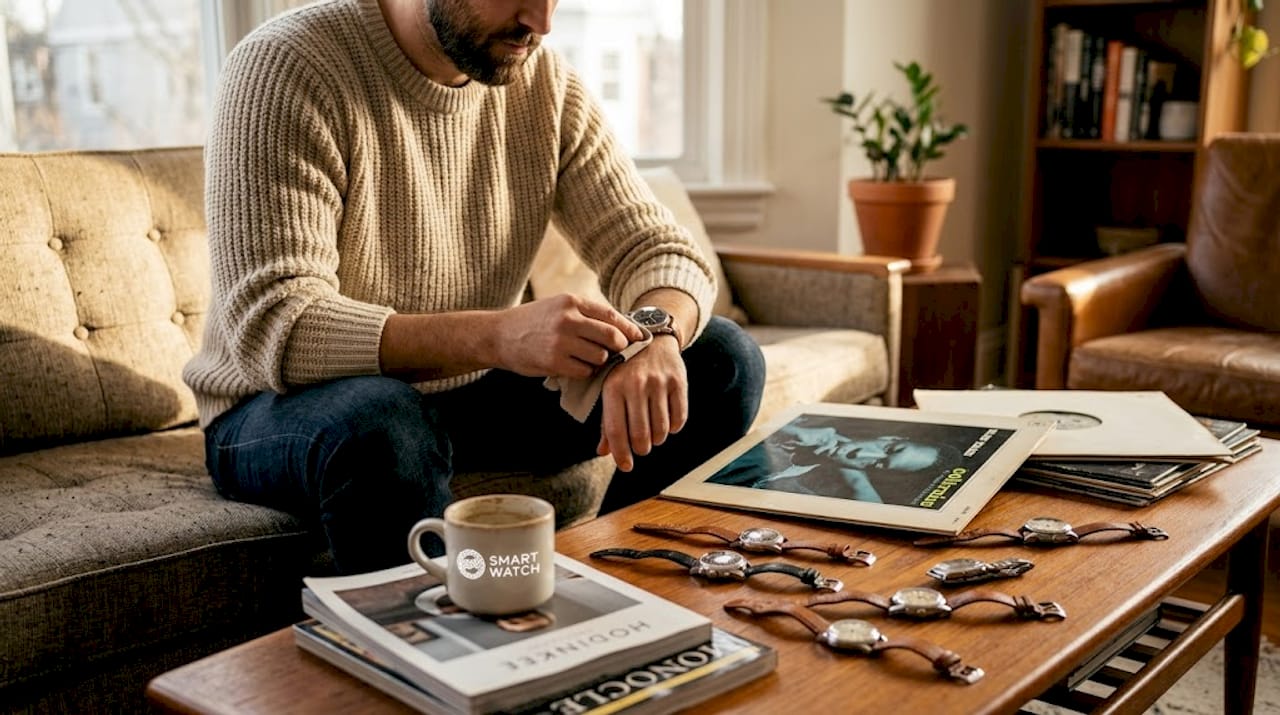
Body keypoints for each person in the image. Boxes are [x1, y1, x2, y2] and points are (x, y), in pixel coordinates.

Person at [182, 0, 765, 575]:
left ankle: (613, 587)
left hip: (469, 393)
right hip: (280, 406)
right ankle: (434, 653)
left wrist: (656, 337)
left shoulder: (544, 83)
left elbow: (658, 248)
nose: (542, 22)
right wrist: (500, 336)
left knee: (721, 358)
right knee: (383, 421)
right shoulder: (286, 64)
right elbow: (276, 326)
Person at [710, 417, 963, 507]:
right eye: (889, 448)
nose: (863, 456)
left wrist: (852, 472)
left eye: (879, 465)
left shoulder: (821, 478)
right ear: (892, 436)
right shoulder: (811, 423)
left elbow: (869, 504)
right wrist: (788, 430)